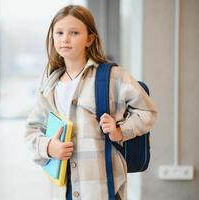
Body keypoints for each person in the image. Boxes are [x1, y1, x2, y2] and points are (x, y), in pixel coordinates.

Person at [25, 5, 157, 200]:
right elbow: (32, 130)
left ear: (89, 39)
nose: (65, 39)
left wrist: (120, 131)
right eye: (59, 33)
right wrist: (49, 147)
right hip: (65, 191)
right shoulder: (49, 87)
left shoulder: (113, 77)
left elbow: (148, 112)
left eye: (74, 33)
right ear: (52, 38)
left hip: (103, 190)